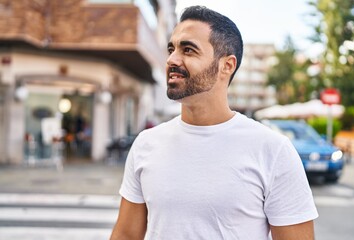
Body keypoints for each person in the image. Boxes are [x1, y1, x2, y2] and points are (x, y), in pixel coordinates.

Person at [110, 5, 318, 240]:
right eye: (171, 49)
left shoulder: (273, 149)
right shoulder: (146, 143)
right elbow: (126, 235)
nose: (171, 59)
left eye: (188, 50)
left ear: (226, 65)